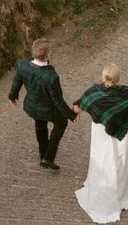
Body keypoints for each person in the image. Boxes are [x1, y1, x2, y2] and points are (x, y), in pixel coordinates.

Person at [74, 65, 128, 223]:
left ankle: (107, 185)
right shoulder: (126, 93)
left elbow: (83, 102)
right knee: (122, 159)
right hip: (124, 132)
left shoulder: (94, 92)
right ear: (118, 79)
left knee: (105, 159)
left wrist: (76, 108)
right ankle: (123, 184)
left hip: (101, 132)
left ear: (102, 77)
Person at [8, 39, 78, 170]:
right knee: (61, 123)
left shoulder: (23, 66)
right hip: (48, 109)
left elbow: (16, 82)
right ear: (47, 55)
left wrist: (12, 96)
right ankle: (48, 157)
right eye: (50, 52)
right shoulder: (51, 76)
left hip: (32, 106)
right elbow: (58, 100)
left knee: (40, 125)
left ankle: (42, 153)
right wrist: (71, 115)